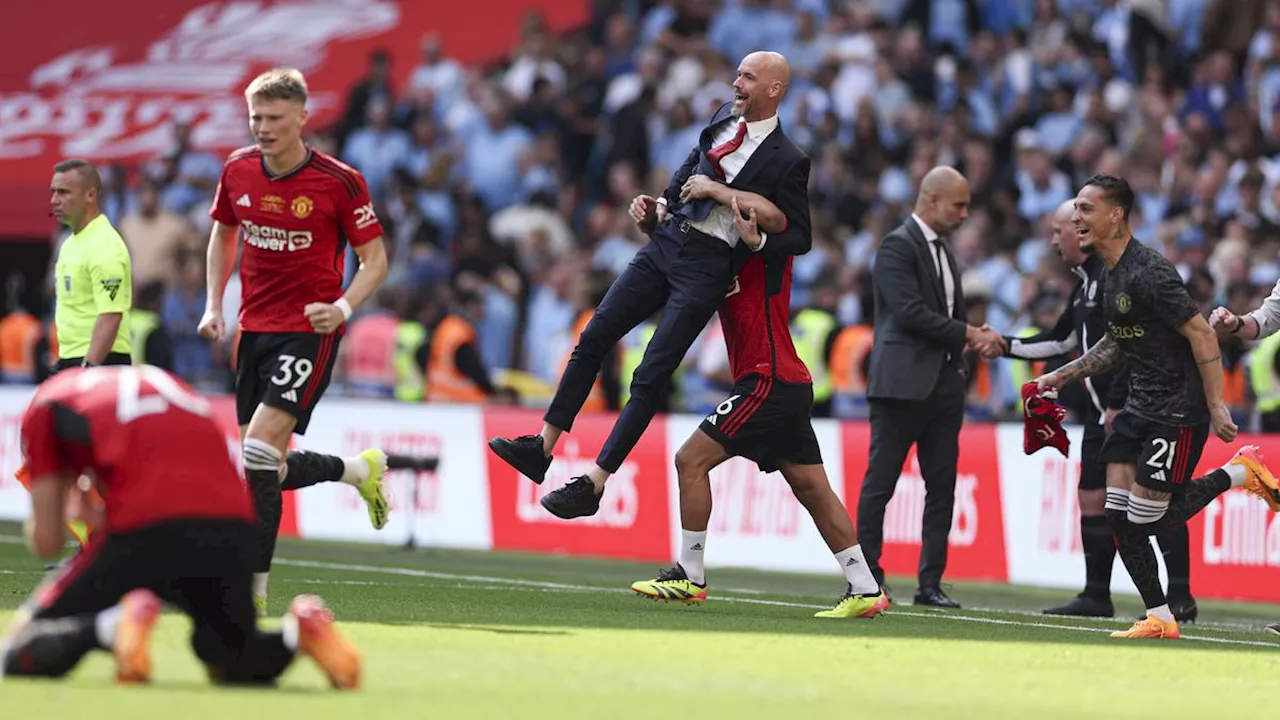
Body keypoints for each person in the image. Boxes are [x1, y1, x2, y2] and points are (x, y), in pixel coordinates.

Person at [488, 51, 811, 520]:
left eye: (747, 76)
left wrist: (755, 237)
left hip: (710, 265)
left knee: (650, 375)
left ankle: (595, 482)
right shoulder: (724, 117)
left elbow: (799, 236)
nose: (736, 82)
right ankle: (541, 446)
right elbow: (689, 168)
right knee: (594, 336)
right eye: (738, 73)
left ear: (774, 89)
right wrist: (658, 206)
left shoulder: (790, 159)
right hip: (667, 242)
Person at [0, 365, 360, 688]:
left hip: (148, 525)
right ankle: (298, 633)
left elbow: (47, 543)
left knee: (18, 649)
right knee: (233, 659)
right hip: (233, 522)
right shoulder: (161, 382)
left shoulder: (44, 407)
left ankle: (110, 627)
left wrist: (60, 512)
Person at [1034, 174, 1280, 640]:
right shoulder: (1109, 274)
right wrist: (1060, 376)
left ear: (1117, 215)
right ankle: (1160, 617)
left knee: (1153, 518)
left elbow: (1201, 333)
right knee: (1117, 516)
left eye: (1086, 209)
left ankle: (1240, 472)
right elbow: (1116, 343)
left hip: (1178, 409)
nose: (1077, 218)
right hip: (1137, 405)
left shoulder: (1150, 271)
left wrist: (1216, 405)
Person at [630, 211, 888, 619]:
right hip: (785, 382)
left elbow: (777, 219)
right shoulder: (720, 259)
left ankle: (689, 574)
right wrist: (656, 226)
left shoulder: (770, 254)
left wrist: (727, 205)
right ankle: (864, 586)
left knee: (689, 460)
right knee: (812, 488)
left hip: (765, 381)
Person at [198, 68, 391, 614]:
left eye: (275, 118)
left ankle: (250, 595)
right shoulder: (236, 169)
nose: (263, 127)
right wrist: (215, 305)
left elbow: (376, 260)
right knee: (263, 469)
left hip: (310, 329)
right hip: (254, 330)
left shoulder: (339, 181)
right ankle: (358, 471)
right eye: (256, 117)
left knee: (258, 452)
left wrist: (343, 307)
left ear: (302, 118)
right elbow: (223, 231)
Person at [992, 200, 1198, 621]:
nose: (1056, 239)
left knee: (1153, 501)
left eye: (1062, 229)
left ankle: (1178, 595)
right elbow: (1064, 340)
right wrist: (1004, 345)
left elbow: (1129, 347)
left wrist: (1119, 402)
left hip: (1138, 409)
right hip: (1100, 410)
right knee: (1092, 499)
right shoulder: (1086, 284)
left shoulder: (1117, 278)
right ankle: (1096, 593)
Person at [857, 166, 1001, 609]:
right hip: (901, 384)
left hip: (942, 385)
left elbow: (934, 313)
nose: (963, 214)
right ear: (932, 200)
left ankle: (930, 583)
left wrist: (962, 349)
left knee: (942, 488)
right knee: (880, 485)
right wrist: (970, 335)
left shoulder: (944, 251)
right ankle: (867, 577)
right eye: (958, 205)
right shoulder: (898, 246)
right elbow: (909, 313)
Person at [49, 159, 133, 371]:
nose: (54, 200)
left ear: (90, 195)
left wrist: (89, 368)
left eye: (63, 192)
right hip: (73, 359)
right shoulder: (70, 243)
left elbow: (111, 315)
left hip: (101, 362)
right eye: (53, 192)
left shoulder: (105, 245)